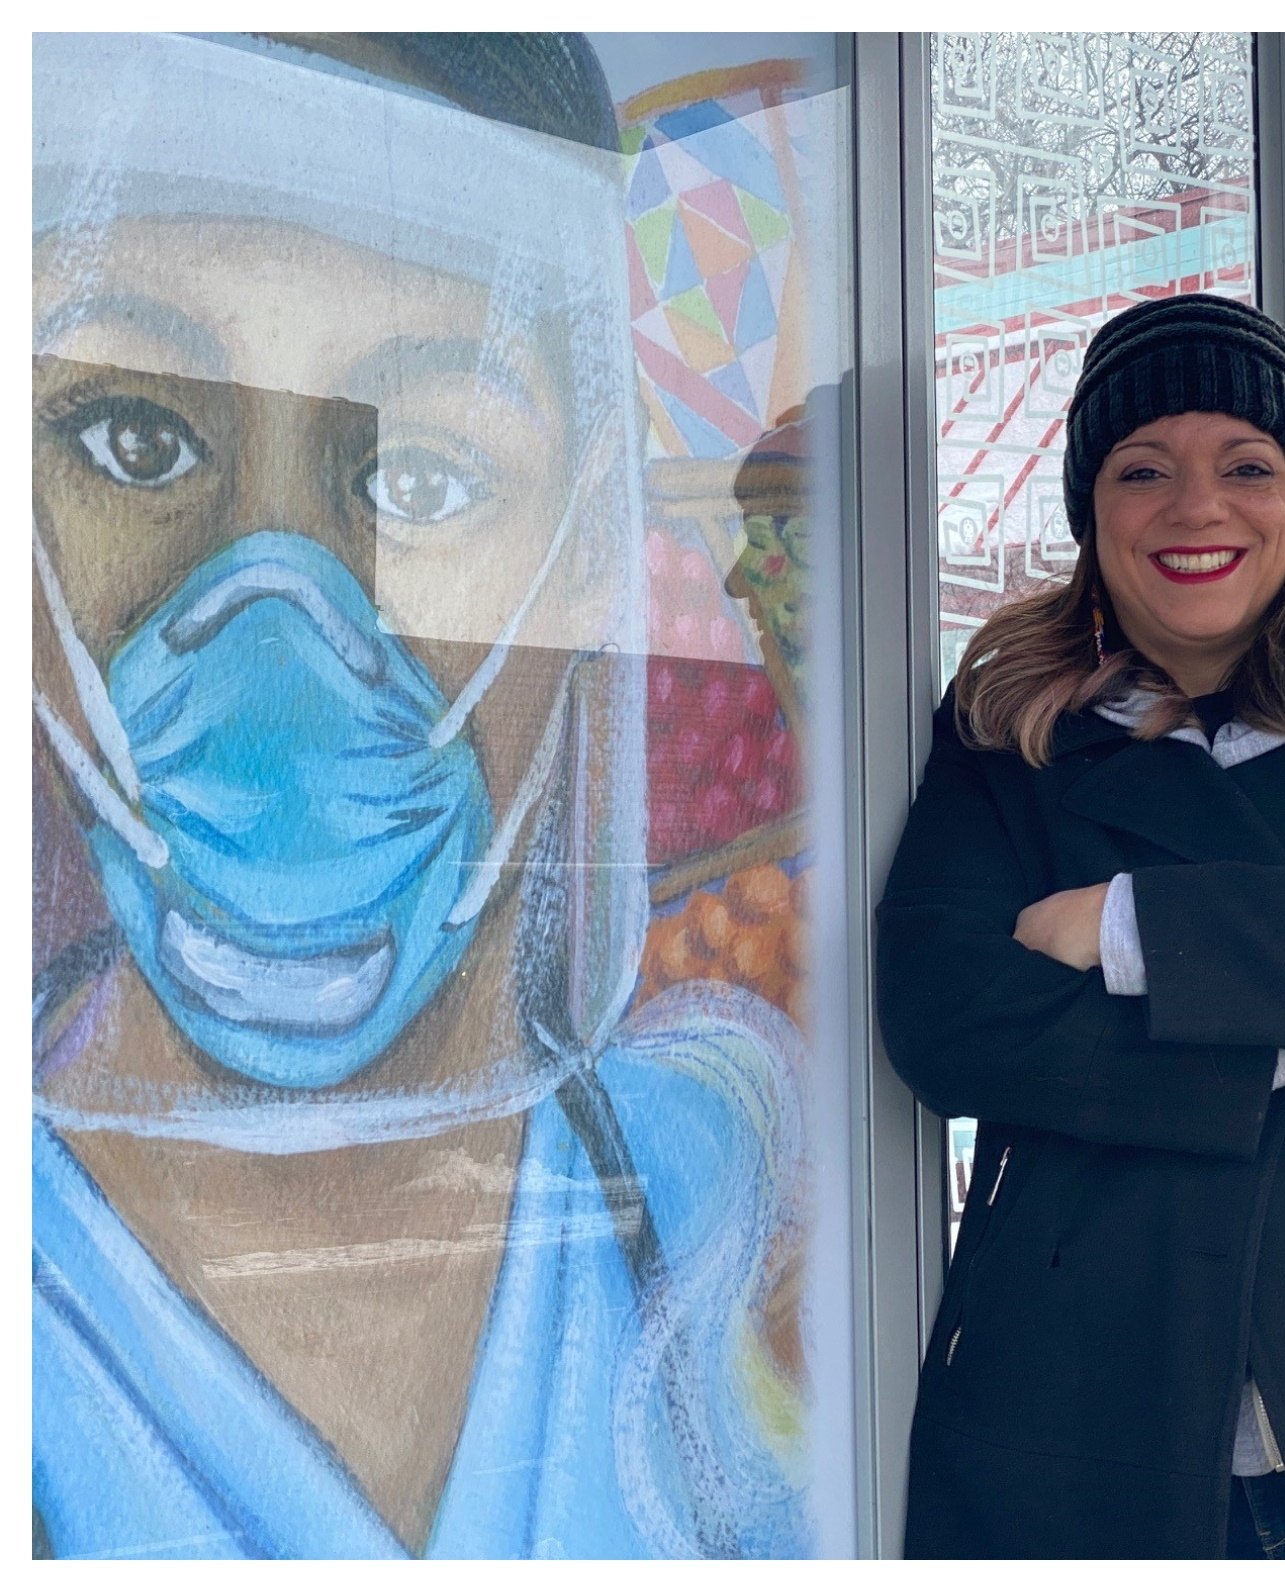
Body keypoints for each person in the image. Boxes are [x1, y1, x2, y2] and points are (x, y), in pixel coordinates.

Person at [30, 32, 809, 1556]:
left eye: (423, 477)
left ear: (590, 554)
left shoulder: (727, 1199)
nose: (276, 654)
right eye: (135, 441)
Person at [875, 294, 1285, 1558]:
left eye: (1246, 465)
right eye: (1144, 469)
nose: (1198, 508)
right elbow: (944, 1012)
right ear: (1090, 507)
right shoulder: (1005, 727)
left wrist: (1126, 925)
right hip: (1077, 1399)